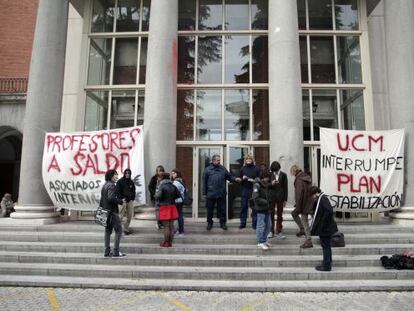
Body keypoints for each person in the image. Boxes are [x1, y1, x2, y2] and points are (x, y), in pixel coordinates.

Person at [203, 154, 241, 231]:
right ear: (213, 160)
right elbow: (204, 182)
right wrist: (205, 193)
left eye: (219, 160)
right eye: (217, 160)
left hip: (221, 193)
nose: (219, 161)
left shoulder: (223, 169)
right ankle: (209, 223)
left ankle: (223, 223)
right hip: (211, 193)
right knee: (210, 210)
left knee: (222, 209)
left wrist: (235, 179)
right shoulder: (207, 169)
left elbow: (229, 176)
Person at [309, 186, 338, 271]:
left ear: (316, 193)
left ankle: (327, 266)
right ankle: (327, 262)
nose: (313, 198)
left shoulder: (323, 198)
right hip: (326, 227)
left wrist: (322, 222)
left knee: (325, 246)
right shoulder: (322, 198)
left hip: (325, 228)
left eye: (313, 195)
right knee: (326, 246)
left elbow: (329, 211)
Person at [101, 169, 126, 258]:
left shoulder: (105, 185)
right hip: (112, 212)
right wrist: (120, 201)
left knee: (107, 231)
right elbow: (111, 198)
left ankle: (107, 251)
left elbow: (103, 199)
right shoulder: (111, 185)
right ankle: (116, 252)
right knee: (118, 230)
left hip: (105, 211)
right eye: (116, 175)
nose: (117, 177)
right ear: (111, 176)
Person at [290, 164, 313, 249]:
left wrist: (298, 206)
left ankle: (308, 240)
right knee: (302, 219)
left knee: (304, 222)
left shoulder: (299, 180)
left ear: (294, 171)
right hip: (308, 202)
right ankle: (303, 230)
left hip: (303, 204)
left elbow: (299, 194)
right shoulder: (306, 177)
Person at [155, 172, 180, 247]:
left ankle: (166, 242)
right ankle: (170, 242)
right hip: (172, 207)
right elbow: (178, 195)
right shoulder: (173, 186)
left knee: (166, 226)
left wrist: (155, 195)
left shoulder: (161, 186)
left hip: (164, 207)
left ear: (162, 178)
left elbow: (158, 196)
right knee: (171, 226)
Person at [251, 171, 273, 250]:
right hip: (260, 209)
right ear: (263, 177)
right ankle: (260, 242)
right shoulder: (257, 185)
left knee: (269, 225)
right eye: (267, 178)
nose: (268, 179)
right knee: (260, 226)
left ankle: (264, 240)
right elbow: (256, 198)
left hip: (267, 208)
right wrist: (266, 202)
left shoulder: (266, 184)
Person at [239, 154, 260, 229]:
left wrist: (253, 180)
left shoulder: (256, 169)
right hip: (244, 190)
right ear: (245, 160)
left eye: (250, 159)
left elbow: (259, 180)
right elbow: (239, 180)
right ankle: (243, 223)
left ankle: (254, 224)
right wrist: (242, 178)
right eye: (247, 159)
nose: (248, 160)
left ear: (252, 160)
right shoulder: (242, 169)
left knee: (254, 208)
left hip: (253, 190)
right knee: (243, 207)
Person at [268, 161, 288, 239]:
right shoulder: (270, 174)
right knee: (271, 214)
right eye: (274, 171)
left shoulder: (283, 175)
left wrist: (285, 200)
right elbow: (266, 185)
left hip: (280, 197)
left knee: (280, 214)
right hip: (271, 197)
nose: (275, 172)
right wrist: (271, 184)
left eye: (276, 170)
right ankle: (271, 231)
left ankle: (279, 231)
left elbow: (285, 187)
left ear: (279, 168)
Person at [116, 168, 136, 235]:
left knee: (129, 216)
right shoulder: (120, 181)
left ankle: (126, 229)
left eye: (129, 173)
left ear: (130, 174)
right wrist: (121, 198)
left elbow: (133, 191)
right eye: (126, 173)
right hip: (123, 201)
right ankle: (117, 229)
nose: (127, 174)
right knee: (120, 216)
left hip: (129, 201)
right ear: (124, 174)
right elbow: (117, 191)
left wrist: (132, 198)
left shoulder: (131, 182)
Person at [148, 165, 165, 229]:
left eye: (162, 171)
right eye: (159, 171)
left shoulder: (165, 178)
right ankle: (158, 223)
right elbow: (150, 187)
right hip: (155, 197)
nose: (161, 172)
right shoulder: (154, 178)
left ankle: (162, 223)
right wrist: (153, 194)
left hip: (163, 197)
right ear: (157, 171)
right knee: (157, 210)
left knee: (162, 210)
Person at [171, 169, 186, 236]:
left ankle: (180, 231)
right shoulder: (181, 180)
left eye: (174, 173)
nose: (172, 175)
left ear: (177, 174)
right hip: (180, 200)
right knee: (179, 216)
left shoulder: (176, 182)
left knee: (178, 216)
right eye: (172, 173)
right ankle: (179, 230)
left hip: (177, 201)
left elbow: (173, 192)